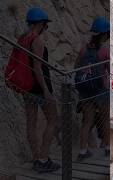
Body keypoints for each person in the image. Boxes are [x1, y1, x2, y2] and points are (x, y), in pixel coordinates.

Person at [21, 7, 60, 172]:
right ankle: (43, 159)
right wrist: (46, 90)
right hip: (39, 87)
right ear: (41, 23)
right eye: (45, 24)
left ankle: (36, 158)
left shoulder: (23, 38)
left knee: (31, 122)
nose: (46, 27)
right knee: (53, 120)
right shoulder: (37, 40)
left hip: (27, 87)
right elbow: (38, 68)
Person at [74, 16, 110, 161]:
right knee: (105, 120)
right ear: (103, 34)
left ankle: (82, 151)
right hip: (100, 91)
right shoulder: (104, 51)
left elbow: (76, 67)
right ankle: (108, 148)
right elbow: (108, 69)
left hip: (85, 92)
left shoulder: (83, 49)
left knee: (87, 121)